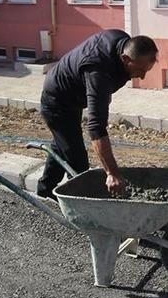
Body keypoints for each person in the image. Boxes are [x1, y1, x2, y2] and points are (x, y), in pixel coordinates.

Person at [36, 29, 158, 199]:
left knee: (63, 144)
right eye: (139, 70)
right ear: (125, 59)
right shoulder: (98, 71)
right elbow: (96, 128)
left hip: (74, 97)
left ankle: (44, 190)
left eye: (147, 70)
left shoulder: (121, 42)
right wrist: (112, 173)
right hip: (56, 102)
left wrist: (102, 96)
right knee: (78, 162)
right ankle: (82, 207)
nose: (142, 76)